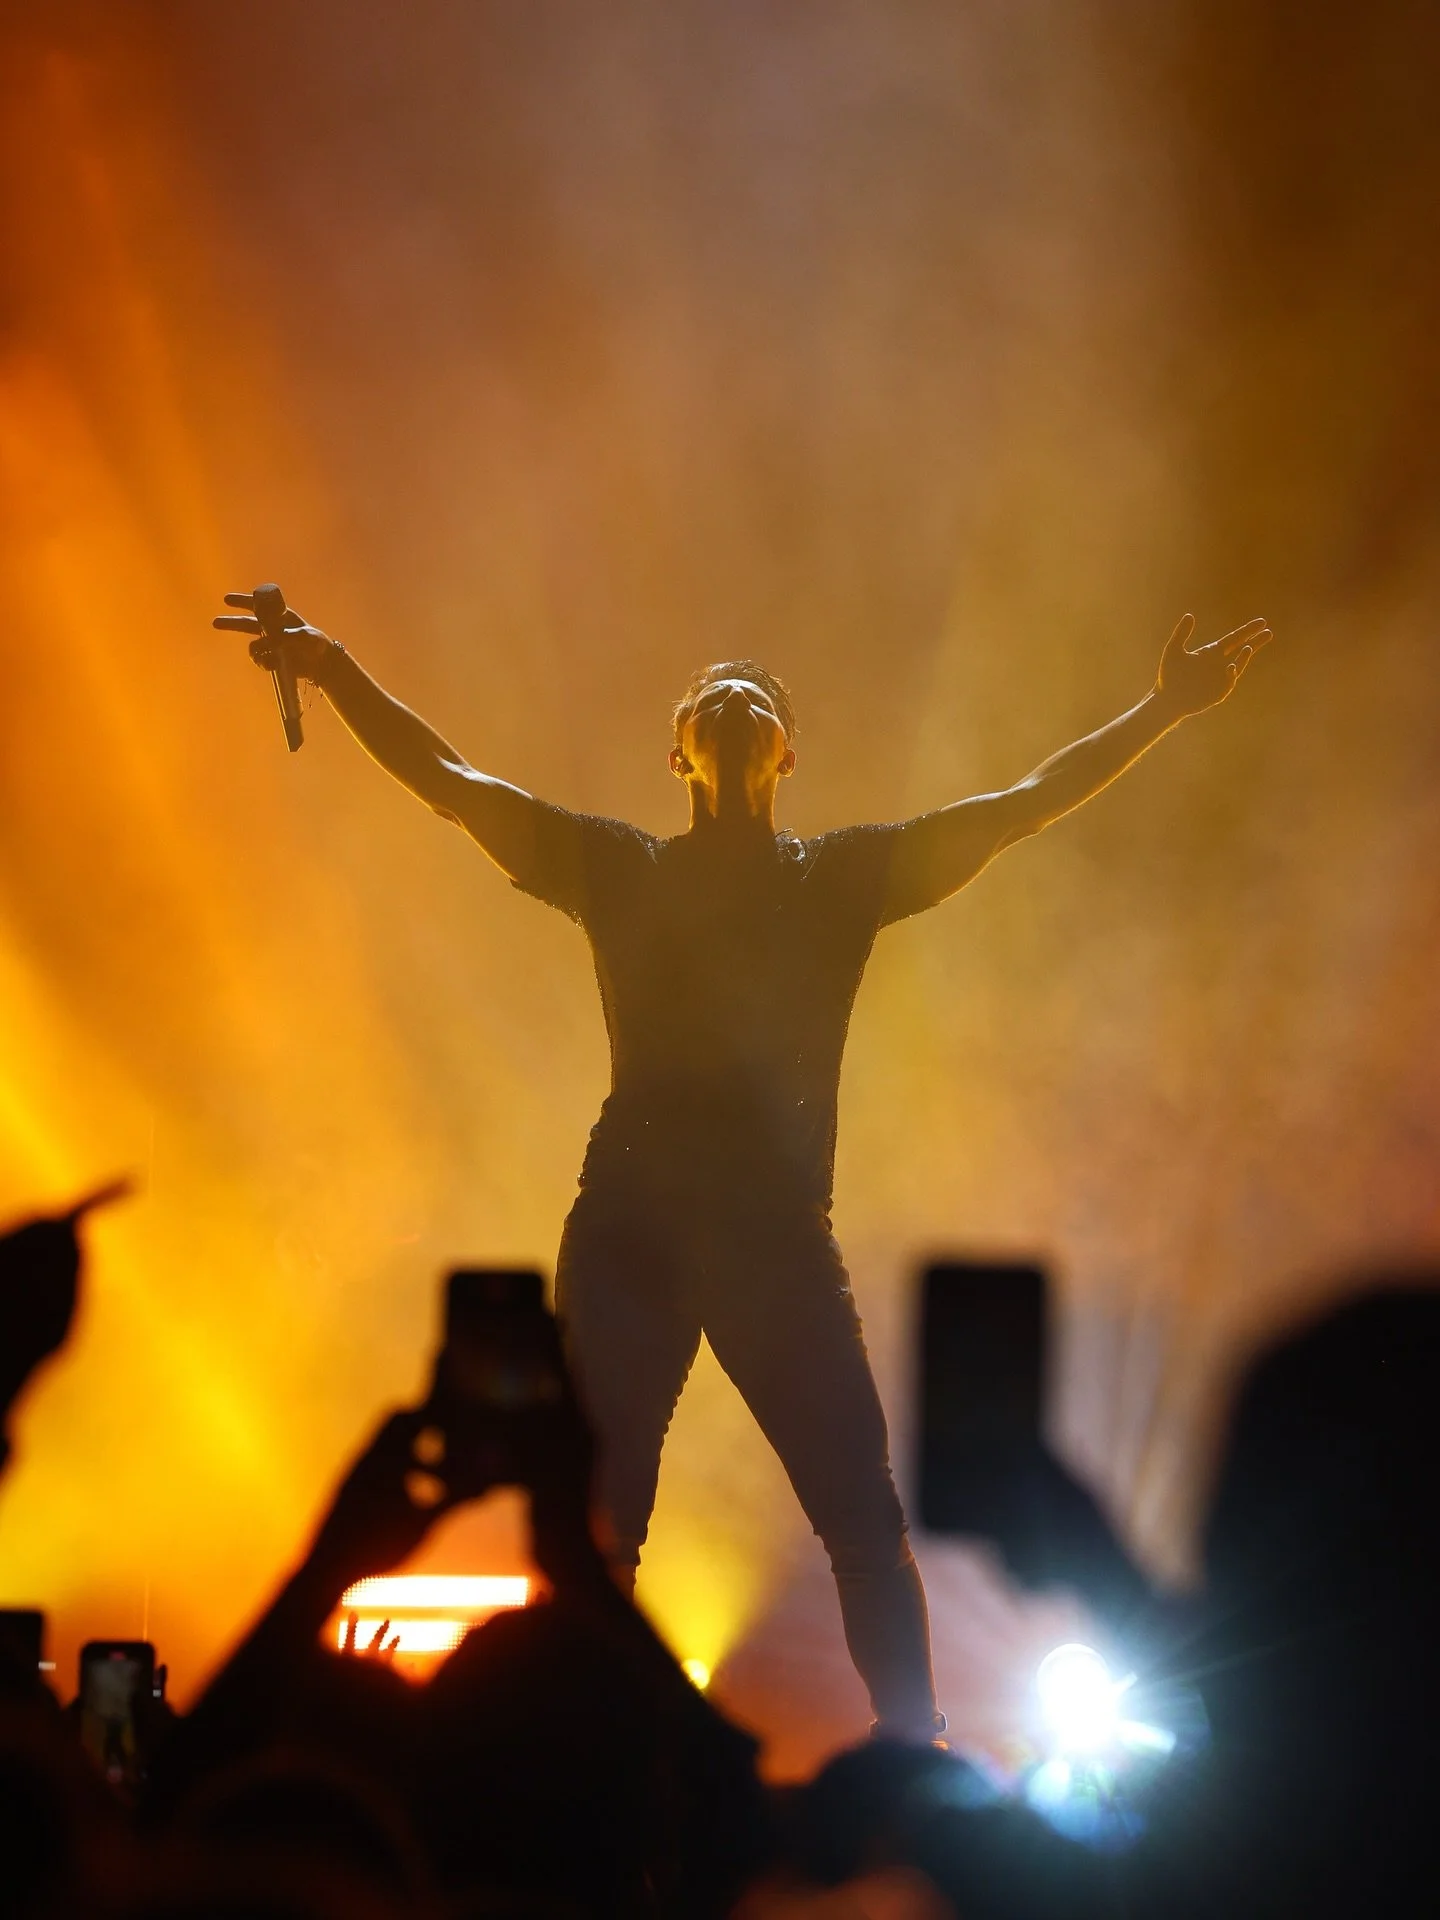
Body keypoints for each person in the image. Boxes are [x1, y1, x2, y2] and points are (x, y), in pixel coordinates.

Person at [215, 592, 1272, 1739]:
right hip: (629, 1231)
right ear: (678, 752)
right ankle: (589, 1778)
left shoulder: (847, 877)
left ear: (786, 749)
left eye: (756, 694)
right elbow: (452, 782)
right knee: (602, 1528)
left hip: (776, 1240)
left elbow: (1022, 808)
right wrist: (333, 666)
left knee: (864, 1524)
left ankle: (916, 1760)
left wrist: (1162, 711)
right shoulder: (617, 868)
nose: (732, 697)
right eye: (710, 695)